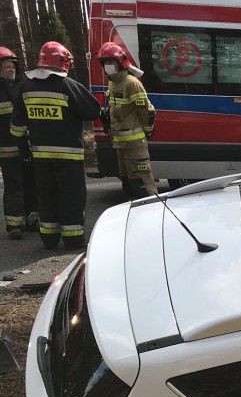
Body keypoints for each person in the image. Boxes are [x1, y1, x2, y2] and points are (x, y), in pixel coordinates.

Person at [9, 42, 101, 250]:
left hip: (40, 157)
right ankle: (73, 238)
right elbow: (92, 111)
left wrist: (24, 149)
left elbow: (16, 125)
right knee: (71, 196)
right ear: (63, 61)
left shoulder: (26, 87)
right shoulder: (68, 85)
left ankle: (49, 239)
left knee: (46, 195)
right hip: (69, 157)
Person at [98, 41, 157, 199]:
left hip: (135, 146)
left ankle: (152, 219)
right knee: (128, 186)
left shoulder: (132, 83)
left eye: (110, 62)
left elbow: (147, 111)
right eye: (105, 63)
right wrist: (106, 119)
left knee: (143, 187)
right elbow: (113, 106)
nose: (107, 66)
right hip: (120, 144)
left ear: (120, 63)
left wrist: (148, 130)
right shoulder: (113, 83)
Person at [0, 46, 37, 240]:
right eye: (6, 67)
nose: (11, 70)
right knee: (14, 185)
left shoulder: (20, 88)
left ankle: (33, 218)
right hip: (6, 148)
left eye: (12, 66)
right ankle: (15, 225)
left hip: (26, 145)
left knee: (32, 182)